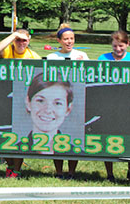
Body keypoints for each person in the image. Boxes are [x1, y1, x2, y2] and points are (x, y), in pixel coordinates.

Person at [0, 29, 41, 178]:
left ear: (29, 41)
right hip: (4, 97)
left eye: (24, 40)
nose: (21, 43)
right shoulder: (8, 50)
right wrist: (14, 35)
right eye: (18, 40)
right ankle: (9, 164)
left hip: (23, 99)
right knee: (4, 134)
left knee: (19, 135)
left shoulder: (34, 56)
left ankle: (16, 169)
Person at [97, 30, 130, 183]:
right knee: (108, 138)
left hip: (129, 106)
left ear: (127, 44)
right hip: (108, 106)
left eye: (121, 46)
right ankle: (109, 173)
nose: (118, 49)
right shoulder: (103, 59)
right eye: (115, 46)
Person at [46, 23, 88, 179]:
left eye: (72, 39)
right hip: (56, 103)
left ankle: (71, 171)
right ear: (59, 41)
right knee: (57, 135)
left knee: (73, 135)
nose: (69, 42)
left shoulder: (82, 56)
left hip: (75, 102)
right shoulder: (52, 57)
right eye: (66, 39)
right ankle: (58, 171)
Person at [22, 73, 74, 154]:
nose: (48, 110)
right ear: (28, 103)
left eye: (57, 103)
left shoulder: (75, 152)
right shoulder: (14, 150)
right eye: (40, 101)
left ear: (68, 109)